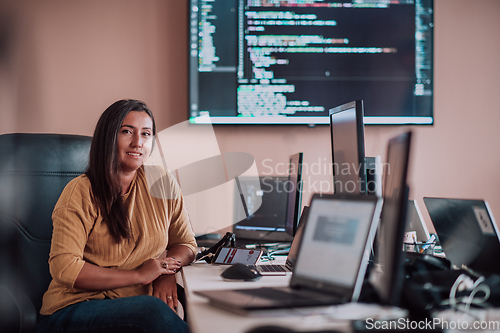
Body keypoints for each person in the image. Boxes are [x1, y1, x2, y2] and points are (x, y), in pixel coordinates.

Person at [36, 99, 197, 333]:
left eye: (146, 134)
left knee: (195, 306)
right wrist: (140, 275)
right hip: (73, 309)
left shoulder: (161, 182)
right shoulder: (80, 192)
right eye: (127, 131)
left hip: (136, 304)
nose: (137, 142)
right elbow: (65, 268)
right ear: (108, 137)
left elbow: (186, 244)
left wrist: (165, 271)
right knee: (151, 312)